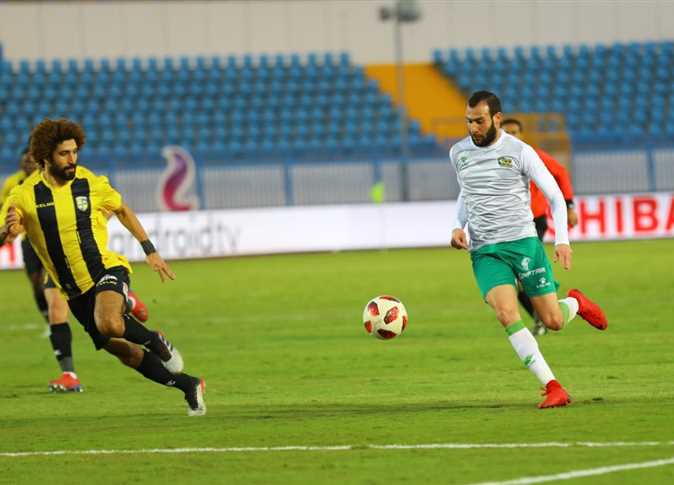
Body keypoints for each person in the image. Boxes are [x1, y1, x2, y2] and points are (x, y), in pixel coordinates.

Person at [0, 118, 205, 416]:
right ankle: (188, 385)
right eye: (64, 154)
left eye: (74, 152)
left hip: (105, 269)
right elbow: (10, 230)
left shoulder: (89, 183)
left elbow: (122, 209)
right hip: (73, 290)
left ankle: (154, 339)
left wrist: (150, 251)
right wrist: (7, 231)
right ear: (46, 157)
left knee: (109, 323)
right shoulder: (24, 194)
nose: (72, 159)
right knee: (124, 352)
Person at [449, 91, 607, 409]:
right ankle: (553, 386)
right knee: (506, 313)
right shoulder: (458, 153)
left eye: (479, 121)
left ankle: (575, 302)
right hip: (485, 251)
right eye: (468, 121)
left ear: (496, 118)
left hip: (523, 244)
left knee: (553, 321)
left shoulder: (520, 151)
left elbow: (554, 196)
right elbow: (467, 192)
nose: (473, 128)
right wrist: (457, 226)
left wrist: (562, 241)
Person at [1, 147, 150, 393]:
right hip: (34, 246)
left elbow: (108, 206)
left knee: (57, 309)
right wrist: (10, 229)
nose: (27, 163)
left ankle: (69, 373)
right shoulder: (15, 187)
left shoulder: (71, 179)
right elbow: (7, 224)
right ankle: (127, 307)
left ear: (42, 160)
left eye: (31, 159)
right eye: (24, 160)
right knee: (41, 292)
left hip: (65, 252)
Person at [501, 118, 579, 337]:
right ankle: (542, 310)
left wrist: (569, 205)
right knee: (513, 280)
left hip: (533, 222)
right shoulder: (495, 158)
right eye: (507, 132)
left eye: (514, 132)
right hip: (509, 226)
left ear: (521, 134)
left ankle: (546, 306)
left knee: (518, 277)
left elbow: (560, 172)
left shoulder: (530, 154)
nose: (511, 136)